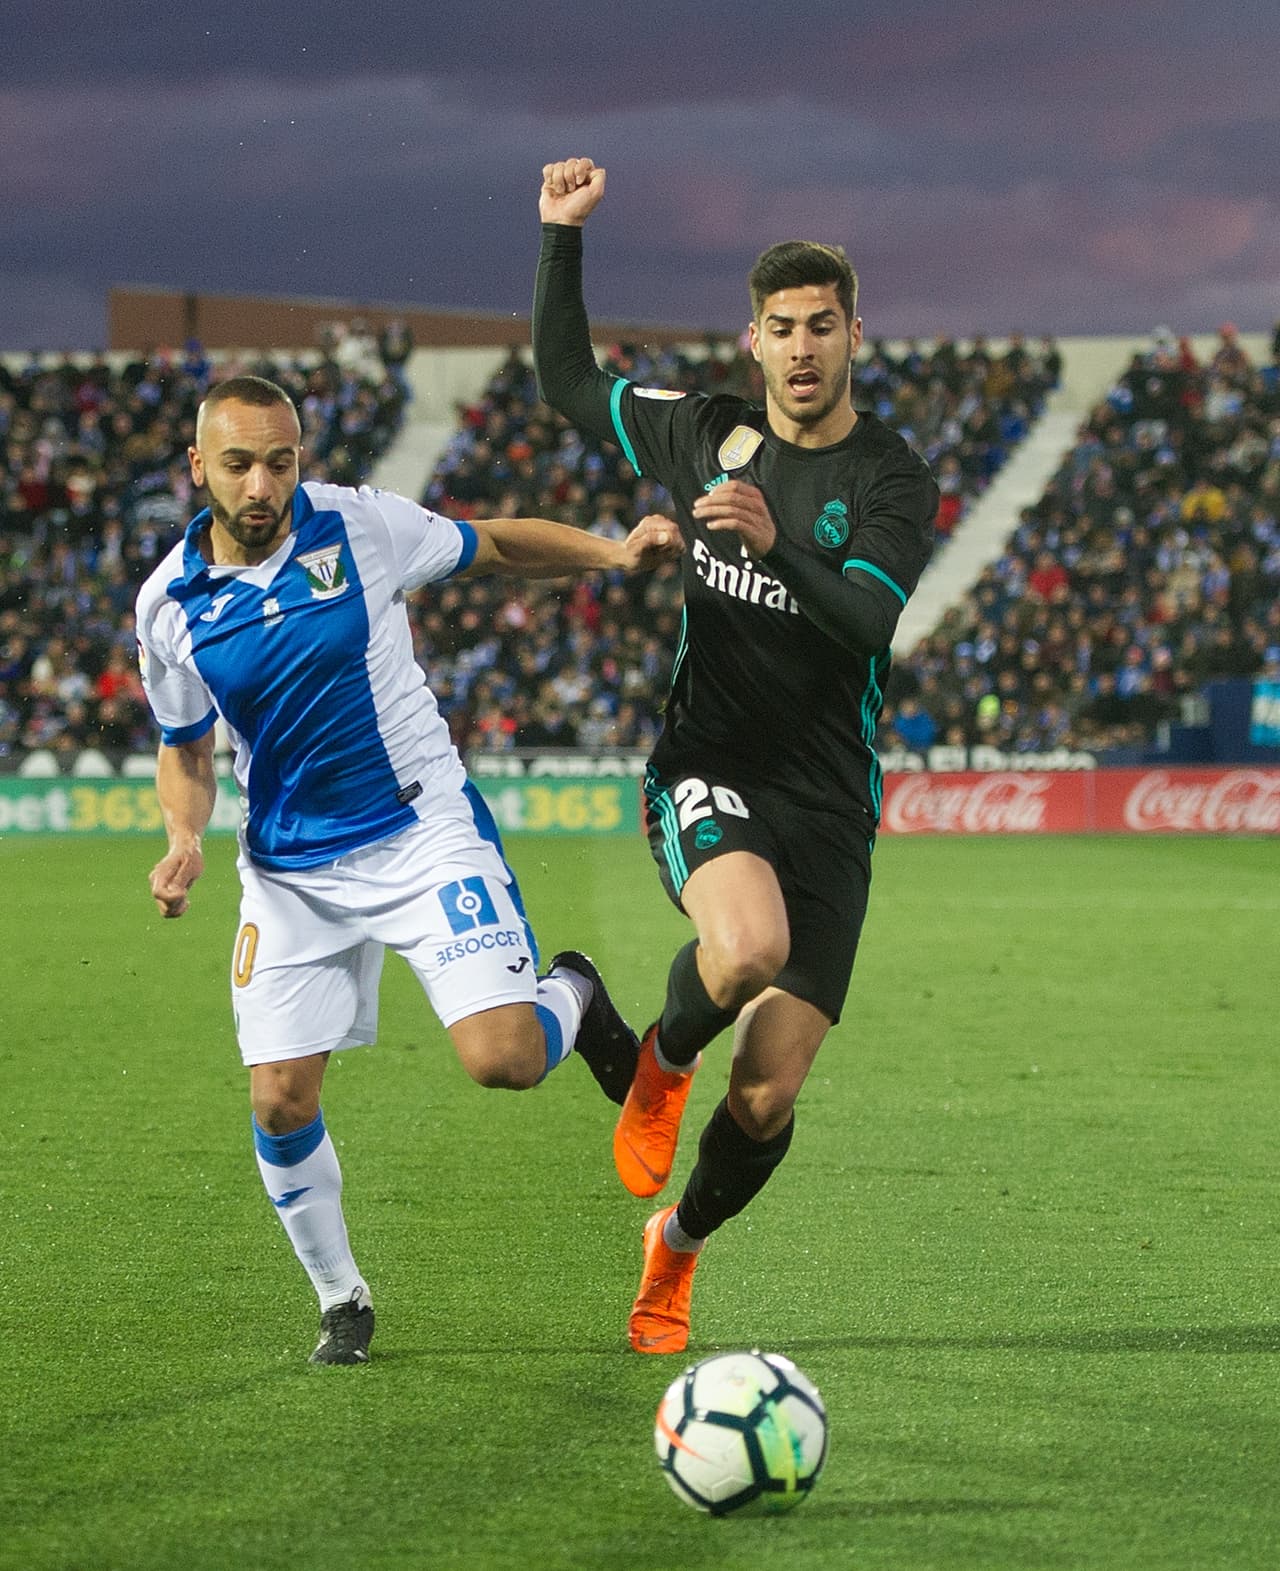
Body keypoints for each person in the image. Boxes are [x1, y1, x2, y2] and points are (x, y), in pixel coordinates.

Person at [136, 374, 680, 1365]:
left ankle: (575, 991)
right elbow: (184, 743)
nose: (263, 483)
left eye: (281, 459)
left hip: (420, 828)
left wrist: (614, 549)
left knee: (503, 1059)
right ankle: (341, 1297)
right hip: (290, 868)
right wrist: (183, 837)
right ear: (198, 468)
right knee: (278, 1100)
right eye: (239, 463)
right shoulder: (168, 603)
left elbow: (496, 542)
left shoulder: (356, 526)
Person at [534, 158, 939, 1354]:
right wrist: (560, 234)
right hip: (704, 759)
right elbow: (568, 380)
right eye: (779, 329)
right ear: (751, 340)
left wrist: (773, 539)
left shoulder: (887, 477)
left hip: (826, 804)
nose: (801, 348)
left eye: (821, 326)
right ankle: (656, 1065)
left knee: (767, 1086)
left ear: (853, 334)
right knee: (744, 944)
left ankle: (675, 1250)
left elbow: (869, 619)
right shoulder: (705, 432)